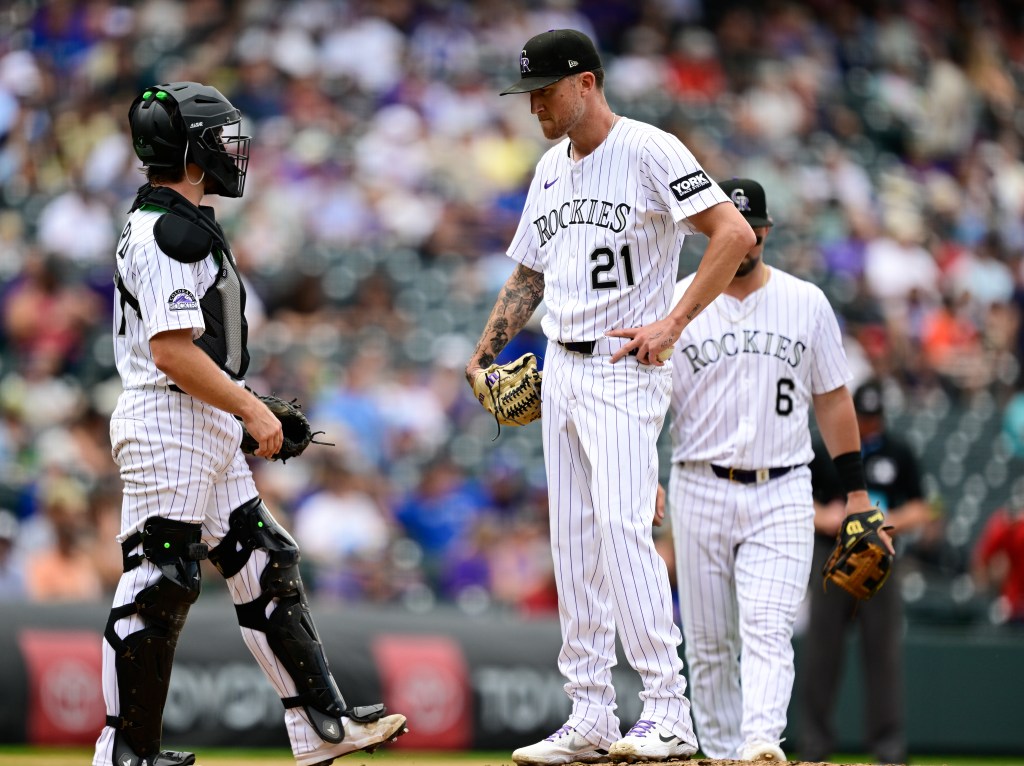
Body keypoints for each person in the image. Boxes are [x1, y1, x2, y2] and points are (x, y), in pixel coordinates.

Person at [94, 82, 406, 766]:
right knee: (161, 577)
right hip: (167, 416)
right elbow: (171, 351)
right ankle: (125, 753)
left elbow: (192, 353)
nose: (235, 150)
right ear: (192, 149)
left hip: (194, 416)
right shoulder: (166, 231)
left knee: (264, 560)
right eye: (223, 138)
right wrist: (252, 409)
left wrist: (244, 408)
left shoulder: (179, 220)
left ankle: (320, 728)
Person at [465, 29, 755, 766]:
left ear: (587, 83)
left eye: (546, 90)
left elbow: (731, 232)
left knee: (624, 534)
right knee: (575, 544)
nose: (534, 105)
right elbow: (529, 273)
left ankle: (668, 711)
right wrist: (484, 353)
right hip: (559, 366)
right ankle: (590, 713)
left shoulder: (650, 149)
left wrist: (675, 322)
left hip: (625, 367)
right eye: (527, 93)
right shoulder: (549, 170)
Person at [665, 178, 879, 762]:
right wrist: (644, 482)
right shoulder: (677, 303)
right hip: (698, 484)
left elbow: (833, 398)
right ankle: (722, 753)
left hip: (784, 486)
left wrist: (856, 492)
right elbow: (650, 404)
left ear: (764, 231)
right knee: (709, 642)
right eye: (730, 230)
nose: (743, 240)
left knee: (767, 625)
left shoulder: (804, 301)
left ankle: (761, 743)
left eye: (752, 230)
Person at [801, 378, 932, 765]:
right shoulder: (828, 451)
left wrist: (885, 521)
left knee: (884, 658)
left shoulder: (899, 451)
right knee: (821, 657)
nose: (871, 423)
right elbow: (796, 499)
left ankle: (889, 751)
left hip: (882, 560)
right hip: (832, 556)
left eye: (876, 416)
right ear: (853, 415)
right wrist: (824, 516)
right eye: (865, 416)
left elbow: (923, 507)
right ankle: (815, 749)